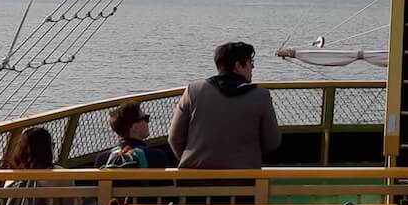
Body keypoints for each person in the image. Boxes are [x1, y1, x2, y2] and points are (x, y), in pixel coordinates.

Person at [167, 41, 282, 170]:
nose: (253, 67)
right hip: (243, 181)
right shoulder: (261, 96)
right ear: (238, 65)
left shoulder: (193, 91)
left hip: (194, 179)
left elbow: (174, 138)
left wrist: (190, 159)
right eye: (251, 63)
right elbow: (272, 142)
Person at [104, 103, 166, 169]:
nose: (147, 122)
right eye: (146, 118)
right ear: (134, 127)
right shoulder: (156, 156)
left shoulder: (103, 159)